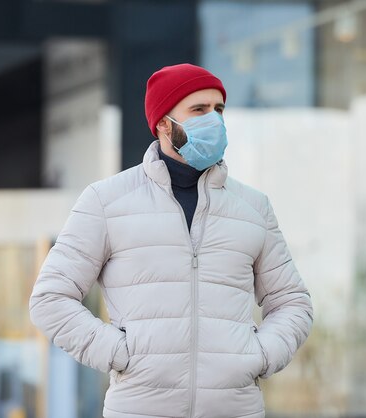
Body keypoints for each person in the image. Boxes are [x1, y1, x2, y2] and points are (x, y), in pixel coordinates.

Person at [29, 63, 313, 418]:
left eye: (219, 109)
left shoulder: (253, 207)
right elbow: (50, 299)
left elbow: (292, 302)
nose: (215, 120)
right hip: (139, 408)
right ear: (164, 123)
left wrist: (260, 355)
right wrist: (121, 354)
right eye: (199, 110)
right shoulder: (106, 201)